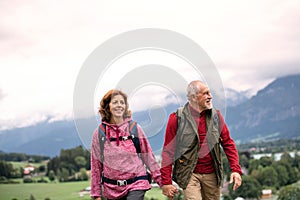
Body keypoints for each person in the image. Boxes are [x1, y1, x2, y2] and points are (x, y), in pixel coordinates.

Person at [160, 80, 242, 200]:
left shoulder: (216, 116)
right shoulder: (177, 118)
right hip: (189, 174)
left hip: (212, 173)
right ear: (193, 97)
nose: (210, 96)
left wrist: (235, 169)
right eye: (205, 93)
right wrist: (166, 182)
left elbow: (228, 143)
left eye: (209, 92)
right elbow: (168, 151)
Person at [90, 89, 162, 200]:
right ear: (107, 106)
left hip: (136, 183)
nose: (119, 105)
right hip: (111, 189)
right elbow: (96, 165)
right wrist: (96, 194)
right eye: (115, 102)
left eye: (122, 102)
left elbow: (149, 157)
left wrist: (163, 183)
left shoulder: (134, 129)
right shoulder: (100, 133)